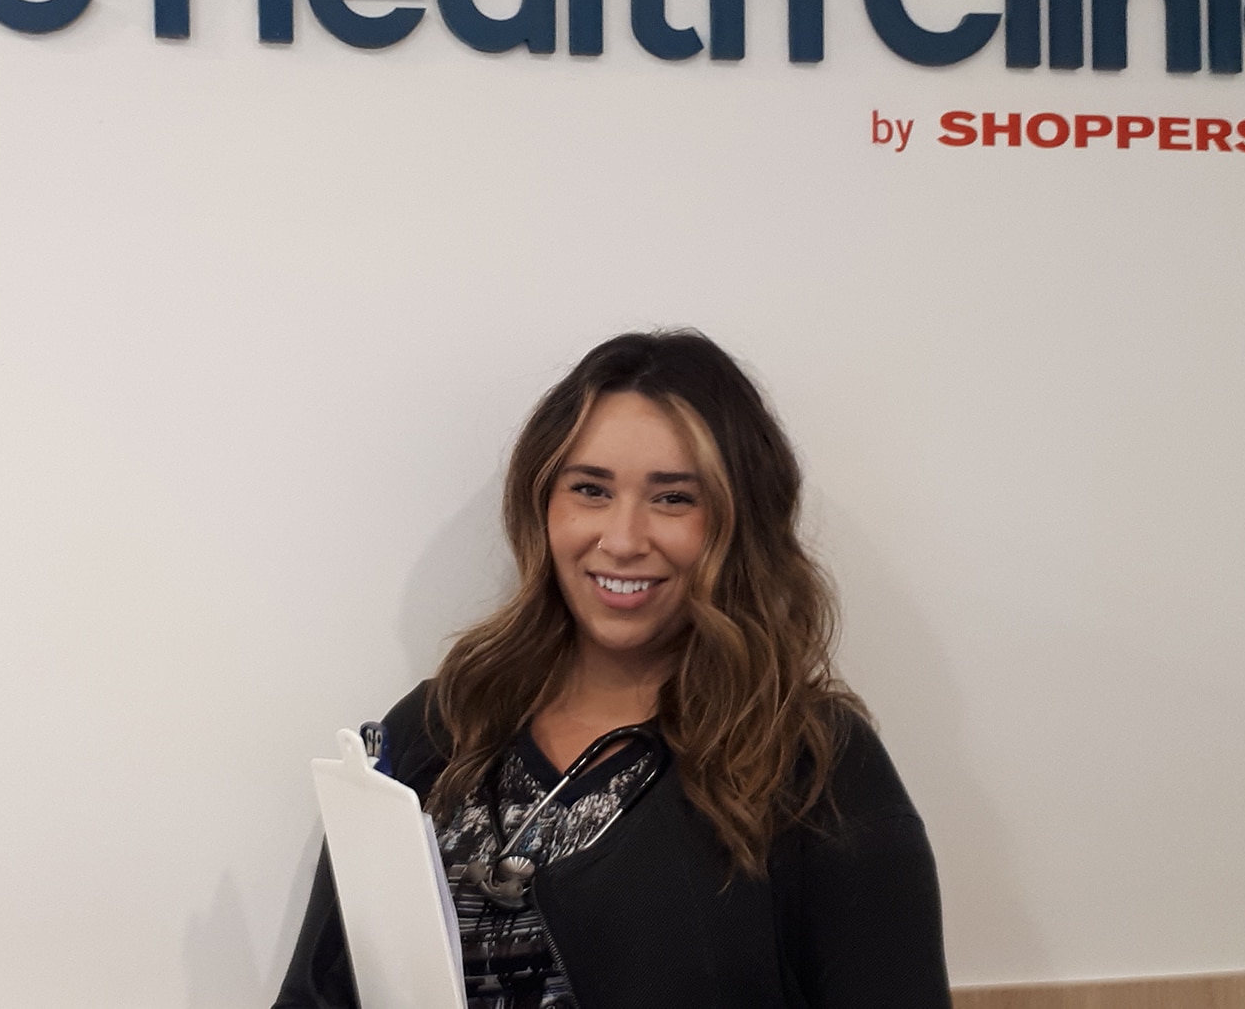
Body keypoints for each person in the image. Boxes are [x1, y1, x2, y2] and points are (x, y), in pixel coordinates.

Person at [276, 330, 951, 1009]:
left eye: (673, 498)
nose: (623, 540)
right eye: (591, 489)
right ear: (543, 507)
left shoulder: (811, 763)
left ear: (738, 524)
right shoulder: (442, 727)